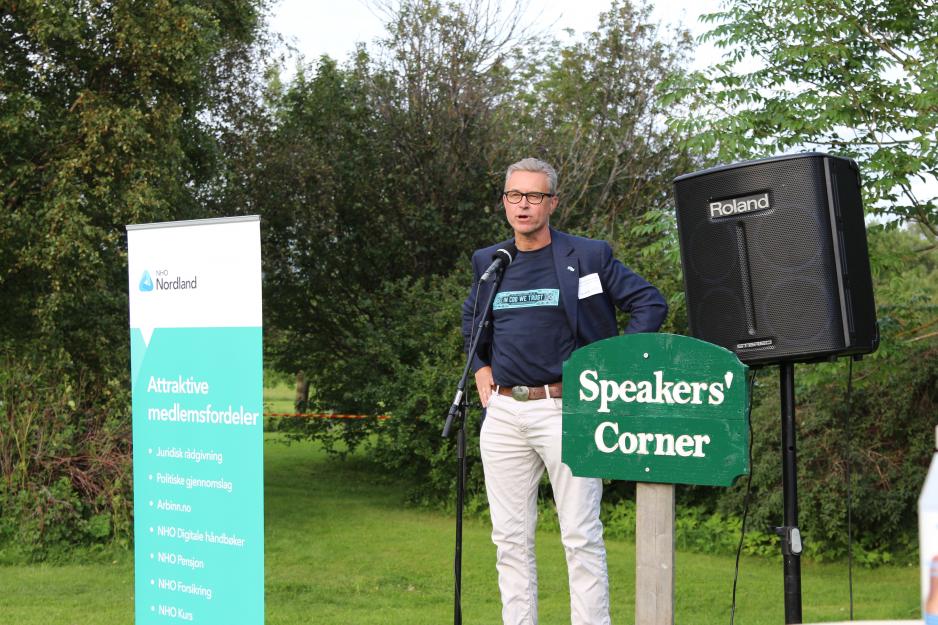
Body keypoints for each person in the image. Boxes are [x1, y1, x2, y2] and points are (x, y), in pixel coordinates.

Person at [461, 157, 668, 625]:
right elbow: (473, 318)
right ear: (504, 202)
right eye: (515, 195)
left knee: (580, 536)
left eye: (534, 196)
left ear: (552, 202)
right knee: (509, 541)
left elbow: (649, 303)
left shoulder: (588, 256)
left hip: (566, 410)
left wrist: (611, 368)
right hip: (505, 413)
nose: (523, 205)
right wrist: (480, 366)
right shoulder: (490, 262)